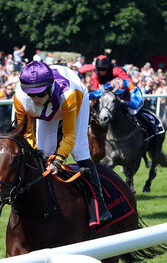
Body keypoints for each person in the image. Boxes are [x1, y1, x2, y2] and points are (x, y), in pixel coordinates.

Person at [14, 61, 112, 222]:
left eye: (40, 93)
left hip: (72, 100)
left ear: (49, 87)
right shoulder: (19, 97)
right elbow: (26, 134)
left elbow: (69, 136)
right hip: (50, 108)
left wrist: (58, 161)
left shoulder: (69, 95)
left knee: (79, 150)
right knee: (44, 151)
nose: (36, 99)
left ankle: (100, 205)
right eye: (31, 94)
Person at [88, 69, 164, 139]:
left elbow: (135, 104)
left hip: (134, 102)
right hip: (121, 101)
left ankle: (151, 127)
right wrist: (86, 96)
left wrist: (124, 102)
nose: (118, 95)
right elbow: (97, 92)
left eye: (119, 94)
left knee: (132, 112)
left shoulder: (132, 88)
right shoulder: (111, 83)